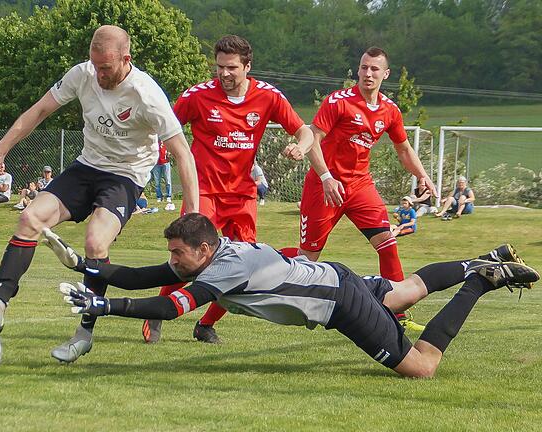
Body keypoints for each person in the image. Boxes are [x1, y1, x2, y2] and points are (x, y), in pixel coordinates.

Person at [0, 25, 200, 364]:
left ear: (125, 59)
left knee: (95, 243)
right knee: (30, 218)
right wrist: (1, 148)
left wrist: (191, 217)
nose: (98, 74)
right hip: (86, 167)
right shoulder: (83, 74)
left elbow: (182, 154)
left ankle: (84, 333)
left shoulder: (146, 94)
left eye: (106, 67)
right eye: (94, 64)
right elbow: (40, 110)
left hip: (125, 177)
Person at [43, 213, 539, 376]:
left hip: (338, 302)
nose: (172, 262)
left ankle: (481, 279)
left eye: (178, 253)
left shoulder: (226, 267)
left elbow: (169, 307)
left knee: (423, 365)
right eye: (171, 254)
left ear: (204, 249)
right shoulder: (212, 256)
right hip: (334, 279)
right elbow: (141, 275)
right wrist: (89, 267)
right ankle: (483, 259)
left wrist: (106, 306)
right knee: (407, 291)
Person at [144, 34, 313, 344]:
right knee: (185, 257)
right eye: (219, 67)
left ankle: (205, 325)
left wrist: (300, 147)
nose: (223, 74)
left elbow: (305, 132)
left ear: (247, 66)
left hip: (243, 195)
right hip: (205, 191)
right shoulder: (197, 96)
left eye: (232, 68)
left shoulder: (269, 97)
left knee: (242, 266)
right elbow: (165, 126)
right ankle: (157, 312)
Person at [295, 47, 436, 330]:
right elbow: (312, 138)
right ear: (358, 70)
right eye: (364, 68)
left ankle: (396, 315)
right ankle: (268, 265)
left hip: (360, 186)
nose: (368, 74)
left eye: (374, 69)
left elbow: (403, 148)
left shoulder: (390, 110)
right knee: (307, 258)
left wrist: (422, 175)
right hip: (324, 187)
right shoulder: (338, 102)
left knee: (387, 244)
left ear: (385, 74)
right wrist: (325, 177)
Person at [151, 140, 174, 210]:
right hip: (156, 163)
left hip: (166, 162)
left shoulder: (166, 139)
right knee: (157, 182)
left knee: (168, 181)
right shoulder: (154, 141)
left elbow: (171, 147)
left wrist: (169, 153)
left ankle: (168, 196)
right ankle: (159, 197)